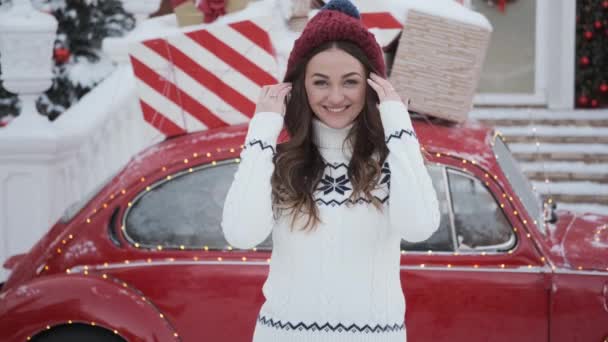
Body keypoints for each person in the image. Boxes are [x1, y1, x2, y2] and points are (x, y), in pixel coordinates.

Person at [221, 0, 441, 341]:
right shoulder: (280, 160)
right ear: (300, 86)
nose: (336, 96)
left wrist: (397, 122)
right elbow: (241, 234)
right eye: (321, 82)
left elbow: (420, 226)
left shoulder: (393, 157)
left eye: (350, 82)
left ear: (371, 85)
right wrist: (262, 129)